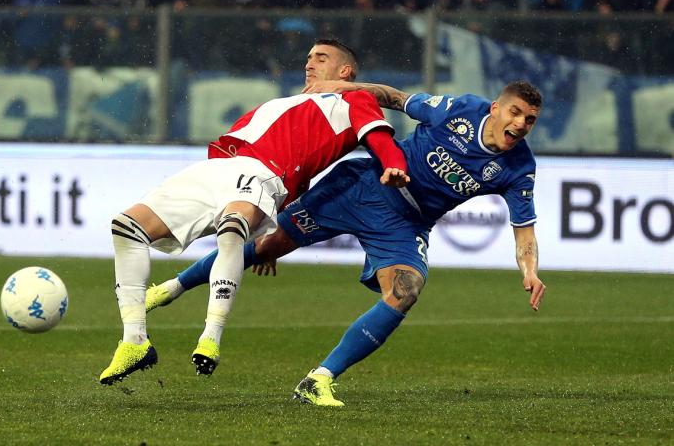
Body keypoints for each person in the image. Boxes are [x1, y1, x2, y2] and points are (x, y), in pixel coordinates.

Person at [146, 79, 548, 406]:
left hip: (406, 224)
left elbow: (524, 230)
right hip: (361, 187)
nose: (520, 124)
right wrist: (338, 88)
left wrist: (529, 271)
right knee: (266, 247)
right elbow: (394, 98)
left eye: (529, 120)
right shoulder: (459, 110)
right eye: (515, 112)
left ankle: (318, 379)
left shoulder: (519, 167)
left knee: (406, 290)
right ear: (495, 107)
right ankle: (169, 289)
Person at [98, 39, 411, 385]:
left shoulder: (354, 99)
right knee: (126, 227)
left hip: (263, 174)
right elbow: (301, 172)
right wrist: (274, 229)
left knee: (232, 229)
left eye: (321, 58)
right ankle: (134, 341)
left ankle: (210, 336)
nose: (309, 64)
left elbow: (380, 139)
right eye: (308, 57)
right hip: (218, 169)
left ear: (345, 71)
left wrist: (393, 165)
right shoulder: (288, 102)